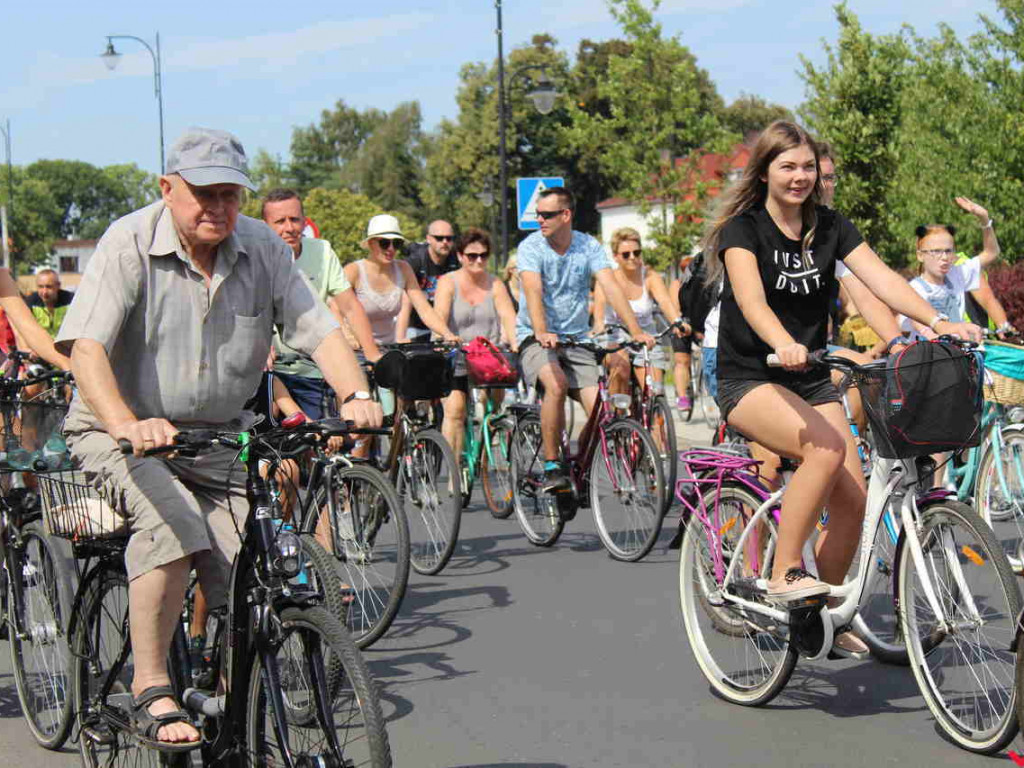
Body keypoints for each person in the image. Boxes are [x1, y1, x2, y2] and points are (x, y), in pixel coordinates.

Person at [56, 127, 383, 750]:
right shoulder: (127, 241)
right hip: (120, 432)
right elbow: (87, 348)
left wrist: (357, 396)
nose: (218, 208)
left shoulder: (262, 248)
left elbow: (319, 330)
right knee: (172, 529)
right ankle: (152, 685)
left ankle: (224, 685)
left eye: (230, 194)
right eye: (203, 193)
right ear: (167, 189)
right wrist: (127, 422)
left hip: (219, 439)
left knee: (248, 566)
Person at [704, 120, 977, 612]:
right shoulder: (742, 231)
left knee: (852, 503)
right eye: (787, 166)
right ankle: (785, 572)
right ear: (764, 172)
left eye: (808, 167)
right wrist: (784, 342)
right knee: (826, 451)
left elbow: (883, 281)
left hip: (809, 379)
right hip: (750, 377)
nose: (800, 176)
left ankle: (822, 615)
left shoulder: (830, 227)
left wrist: (937, 322)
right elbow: (750, 300)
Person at [516, 186, 655, 493]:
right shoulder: (531, 248)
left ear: (566, 215)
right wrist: (541, 330)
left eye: (547, 214)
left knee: (601, 408)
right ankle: (553, 466)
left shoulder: (587, 246)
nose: (539, 219)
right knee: (556, 384)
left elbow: (611, 287)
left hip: (576, 339)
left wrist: (636, 331)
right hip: (536, 338)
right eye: (537, 214)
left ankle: (578, 463)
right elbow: (532, 290)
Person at [262, 188, 382, 418]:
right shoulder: (257, 254)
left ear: (304, 221)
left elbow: (350, 306)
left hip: (314, 369)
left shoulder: (323, 251)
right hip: (272, 371)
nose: (289, 227)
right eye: (279, 221)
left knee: (331, 436)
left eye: (295, 219)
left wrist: (372, 352)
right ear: (264, 226)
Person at [433, 228, 517, 462]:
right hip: (455, 353)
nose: (478, 260)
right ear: (460, 256)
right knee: (455, 410)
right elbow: (439, 315)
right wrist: (447, 335)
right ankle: (454, 473)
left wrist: (515, 341)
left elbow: (508, 316)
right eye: (472, 255)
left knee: (495, 404)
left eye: (483, 255)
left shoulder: (496, 284)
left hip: (487, 357)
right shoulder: (448, 282)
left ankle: (486, 444)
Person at [591, 227, 686, 396]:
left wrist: (677, 322)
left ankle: (656, 419)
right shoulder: (607, 280)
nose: (633, 258)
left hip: (647, 338)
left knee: (655, 392)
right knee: (620, 369)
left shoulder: (650, 276)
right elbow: (598, 315)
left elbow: (664, 302)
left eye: (637, 252)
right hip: (616, 337)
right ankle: (619, 418)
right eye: (626, 254)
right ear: (615, 257)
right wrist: (598, 329)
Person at [344, 215, 458, 348]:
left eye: (397, 243)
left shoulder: (404, 269)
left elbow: (425, 310)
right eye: (385, 243)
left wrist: (447, 333)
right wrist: (348, 336)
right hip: (355, 349)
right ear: (370, 243)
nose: (391, 249)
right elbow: (334, 309)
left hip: (388, 349)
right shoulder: (353, 271)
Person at [905, 198, 1003, 339]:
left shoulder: (958, 275)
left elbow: (991, 253)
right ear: (920, 255)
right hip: (928, 354)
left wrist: (985, 220)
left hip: (956, 352)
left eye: (948, 251)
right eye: (936, 251)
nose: (944, 257)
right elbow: (915, 320)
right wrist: (932, 335)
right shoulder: (914, 288)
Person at [403, 220, 459, 341]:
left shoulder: (457, 261)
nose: (445, 242)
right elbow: (403, 298)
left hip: (446, 327)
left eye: (449, 238)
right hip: (416, 327)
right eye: (439, 238)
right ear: (428, 239)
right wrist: (401, 335)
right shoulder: (415, 262)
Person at [667, 254, 696, 412]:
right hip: (682, 324)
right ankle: (682, 396)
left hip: (699, 325)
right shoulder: (676, 285)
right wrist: (679, 324)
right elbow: (674, 308)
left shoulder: (702, 283)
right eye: (685, 269)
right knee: (681, 360)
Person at [25, 269, 73, 340]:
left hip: (65, 345)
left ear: (58, 286)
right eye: (40, 287)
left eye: (49, 287)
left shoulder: (71, 300)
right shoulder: (30, 302)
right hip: (40, 344)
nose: (44, 292)